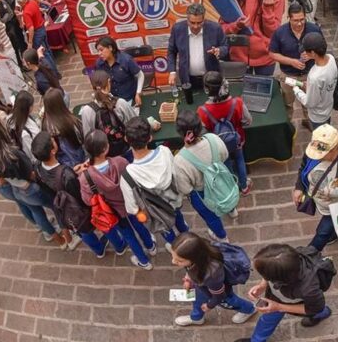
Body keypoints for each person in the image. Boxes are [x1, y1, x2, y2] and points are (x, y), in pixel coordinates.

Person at [0, 116, 67, 248]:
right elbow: (31, 173)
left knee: (37, 212)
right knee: (55, 205)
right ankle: (66, 236)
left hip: (16, 189)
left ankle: (58, 240)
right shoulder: (13, 153)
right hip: (30, 188)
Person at [78, 130, 157, 270]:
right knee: (140, 225)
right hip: (131, 205)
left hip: (113, 213)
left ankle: (143, 261)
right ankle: (151, 246)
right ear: (106, 148)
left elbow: (87, 200)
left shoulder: (85, 178)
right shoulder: (120, 162)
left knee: (128, 236)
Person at [232, 243, 333, 342]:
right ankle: (257, 341)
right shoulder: (290, 258)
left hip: (288, 302)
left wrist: (278, 307)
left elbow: (316, 307)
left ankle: (257, 341)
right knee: (269, 320)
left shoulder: (309, 289)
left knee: (267, 320)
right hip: (282, 298)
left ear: (278, 278)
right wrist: (262, 285)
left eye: (263, 274)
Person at [121, 116, 189, 249]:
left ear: (126, 140)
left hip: (157, 214)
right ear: (150, 137)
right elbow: (175, 174)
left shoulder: (127, 176)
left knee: (166, 231)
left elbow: (132, 208)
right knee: (179, 218)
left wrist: (144, 217)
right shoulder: (165, 151)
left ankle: (175, 246)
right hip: (174, 201)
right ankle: (186, 235)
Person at [31, 132, 103, 257]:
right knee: (86, 227)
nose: (55, 141)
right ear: (53, 151)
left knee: (81, 230)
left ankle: (98, 250)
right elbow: (78, 194)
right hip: (76, 206)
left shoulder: (37, 167)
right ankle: (100, 247)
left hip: (61, 205)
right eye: (53, 141)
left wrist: (74, 172)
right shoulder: (65, 174)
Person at [170, 232, 256, 327]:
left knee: (231, 301)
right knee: (197, 300)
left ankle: (250, 309)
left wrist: (209, 306)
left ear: (195, 258)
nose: (173, 261)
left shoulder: (212, 276)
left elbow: (219, 296)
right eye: (173, 257)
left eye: (179, 260)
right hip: (201, 286)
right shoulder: (198, 251)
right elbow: (190, 268)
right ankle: (197, 318)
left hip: (219, 293)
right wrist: (188, 279)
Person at [172, 110, 230, 241]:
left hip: (202, 193)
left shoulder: (180, 160)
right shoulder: (213, 139)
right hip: (220, 180)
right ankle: (232, 210)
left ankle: (222, 237)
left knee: (211, 217)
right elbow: (225, 156)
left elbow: (186, 189)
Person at [198, 71, 252, 196]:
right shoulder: (237, 102)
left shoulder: (202, 110)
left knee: (226, 163)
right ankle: (244, 187)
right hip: (237, 139)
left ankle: (232, 187)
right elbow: (248, 121)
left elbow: (204, 132)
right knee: (239, 159)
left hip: (219, 145)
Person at [269, 2, 321, 124]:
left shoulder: (314, 29)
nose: (299, 23)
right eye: (295, 20)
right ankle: (288, 127)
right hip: (288, 76)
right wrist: (291, 62)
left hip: (310, 74)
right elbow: (272, 54)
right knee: (287, 103)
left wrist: (311, 55)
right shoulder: (280, 32)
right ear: (289, 18)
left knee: (310, 103)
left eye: (302, 19)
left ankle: (308, 122)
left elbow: (323, 50)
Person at [167, 3, 227, 90]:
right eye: (192, 23)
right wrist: (172, 72)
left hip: (211, 78)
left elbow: (225, 46)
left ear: (204, 19)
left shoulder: (215, 28)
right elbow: (171, 52)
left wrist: (219, 51)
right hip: (187, 79)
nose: (195, 26)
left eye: (199, 23)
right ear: (187, 20)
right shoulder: (177, 29)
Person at [79, 70, 137, 153]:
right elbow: (135, 124)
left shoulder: (86, 111)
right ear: (109, 82)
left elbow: (88, 138)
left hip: (103, 156)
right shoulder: (120, 103)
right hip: (126, 150)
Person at [289, 32, 338, 130]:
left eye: (306, 51)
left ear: (313, 53)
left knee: (320, 141)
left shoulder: (314, 76)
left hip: (317, 116)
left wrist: (295, 89)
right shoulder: (331, 58)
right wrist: (309, 86)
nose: (304, 53)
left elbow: (309, 103)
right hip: (327, 108)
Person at [15, 0, 58, 74]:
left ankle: (52, 73)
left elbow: (30, 28)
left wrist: (30, 42)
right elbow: (35, 12)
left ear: (21, 2)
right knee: (48, 50)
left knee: (43, 54)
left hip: (37, 33)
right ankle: (55, 70)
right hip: (42, 28)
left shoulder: (26, 12)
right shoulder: (32, 2)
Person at [42, 87, 87, 167]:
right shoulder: (71, 121)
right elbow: (83, 140)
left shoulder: (45, 124)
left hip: (62, 163)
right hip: (79, 159)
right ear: (60, 103)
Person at [94, 36, 144, 107]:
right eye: (98, 51)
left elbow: (140, 75)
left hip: (128, 98)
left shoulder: (126, 60)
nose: (99, 53)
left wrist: (138, 93)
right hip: (111, 100)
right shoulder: (99, 63)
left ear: (110, 48)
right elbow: (99, 81)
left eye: (101, 50)